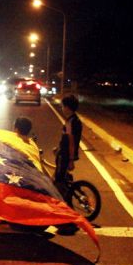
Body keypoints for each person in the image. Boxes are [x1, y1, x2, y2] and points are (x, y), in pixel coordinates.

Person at [54, 95, 82, 235]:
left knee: (59, 184)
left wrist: (70, 159)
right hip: (63, 153)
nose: (62, 108)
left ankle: (68, 216)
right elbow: (65, 139)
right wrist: (58, 148)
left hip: (66, 156)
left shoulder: (71, 122)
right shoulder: (74, 120)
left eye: (63, 106)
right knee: (62, 181)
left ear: (68, 107)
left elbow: (71, 141)